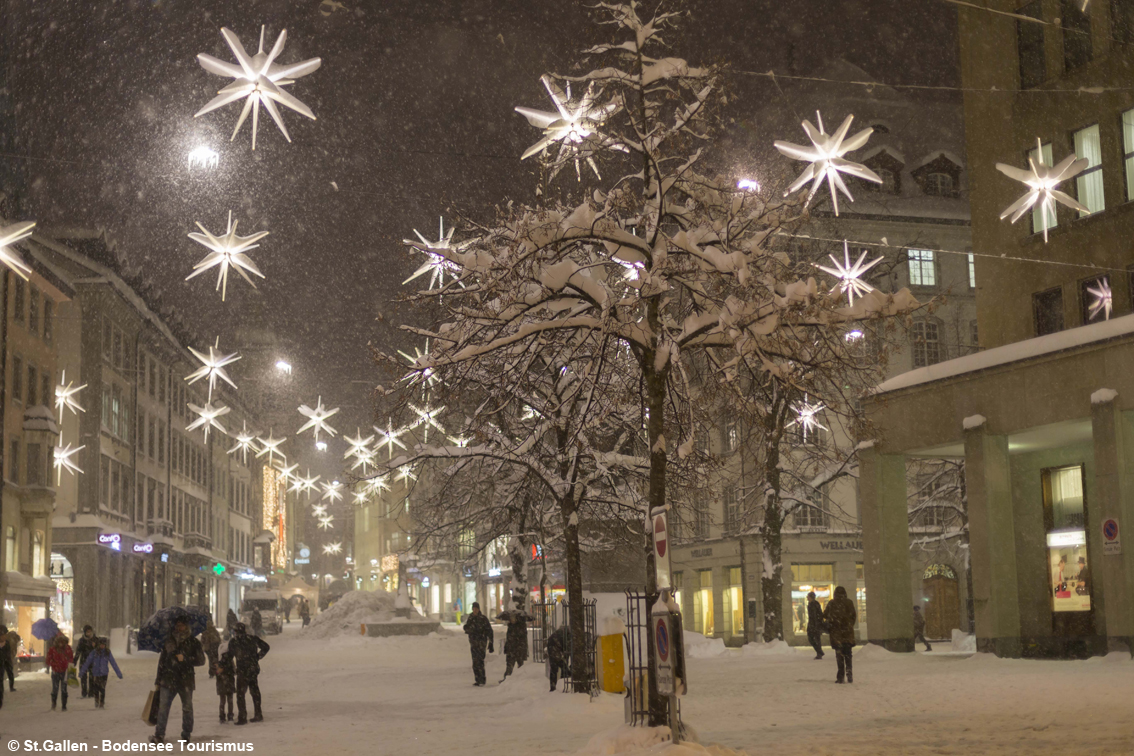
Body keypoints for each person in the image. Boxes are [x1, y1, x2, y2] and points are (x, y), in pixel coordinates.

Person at [151, 615, 205, 744]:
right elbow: (162, 661)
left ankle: (186, 734)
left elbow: (201, 660)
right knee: (163, 708)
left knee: (187, 708)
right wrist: (158, 680)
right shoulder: (169, 641)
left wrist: (185, 658)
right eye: (177, 625)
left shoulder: (193, 642)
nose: (179, 627)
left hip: (185, 680)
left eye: (181, 625)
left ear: (186, 626)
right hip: (168, 679)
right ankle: (159, 734)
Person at [228, 622, 270, 725]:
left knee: (241, 694)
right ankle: (258, 714)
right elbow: (266, 647)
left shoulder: (234, 641)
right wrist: (257, 657)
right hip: (253, 669)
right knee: (254, 691)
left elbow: (229, 656)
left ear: (236, 631)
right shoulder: (252, 638)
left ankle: (242, 717)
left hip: (243, 670)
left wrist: (224, 665)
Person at [823, 586, 857, 684]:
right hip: (847, 633)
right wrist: (849, 626)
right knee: (848, 654)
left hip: (836, 634)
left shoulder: (832, 603)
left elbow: (825, 615)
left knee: (839, 655)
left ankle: (840, 676)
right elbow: (853, 616)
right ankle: (849, 671)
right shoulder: (849, 602)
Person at [79, 636, 122, 708]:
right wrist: (82, 672)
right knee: (96, 689)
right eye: (101, 644)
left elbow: (113, 663)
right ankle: (96, 700)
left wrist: (118, 673)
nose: (102, 646)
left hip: (104, 673)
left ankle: (102, 702)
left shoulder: (107, 653)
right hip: (95, 673)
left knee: (102, 689)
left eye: (103, 644)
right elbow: (87, 662)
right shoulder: (94, 652)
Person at [497, 607, 533, 682]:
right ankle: (506, 679)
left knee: (520, 666)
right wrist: (507, 647)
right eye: (510, 618)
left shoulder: (521, 626)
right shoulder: (510, 626)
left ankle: (521, 680)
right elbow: (509, 638)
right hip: (511, 649)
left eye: (513, 618)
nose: (511, 619)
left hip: (519, 649)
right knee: (509, 666)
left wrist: (520, 646)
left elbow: (522, 637)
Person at [462, 602, 493, 687]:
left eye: (476, 608)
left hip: (481, 642)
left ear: (478, 609)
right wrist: (467, 628)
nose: (474, 610)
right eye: (473, 609)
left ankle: (482, 679)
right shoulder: (471, 618)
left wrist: (491, 642)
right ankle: (477, 679)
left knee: (480, 661)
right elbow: (467, 627)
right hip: (473, 643)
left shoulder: (483, 619)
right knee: (475, 662)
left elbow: (489, 631)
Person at [46, 633, 74, 711]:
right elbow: (48, 660)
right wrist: (54, 664)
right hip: (56, 671)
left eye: (62, 641)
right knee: (55, 689)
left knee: (64, 689)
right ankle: (54, 704)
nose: (61, 643)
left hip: (65, 672)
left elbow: (71, 658)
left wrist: (68, 665)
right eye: (59, 641)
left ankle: (64, 705)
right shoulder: (53, 649)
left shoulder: (67, 649)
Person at [214, 642, 235, 724]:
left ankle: (222, 716)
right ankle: (230, 715)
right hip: (229, 681)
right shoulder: (230, 660)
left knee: (223, 700)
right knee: (230, 700)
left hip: (222, 682)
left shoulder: (218, 661)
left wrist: (218, 671)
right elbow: (233, 670)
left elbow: (215, 672)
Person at [546, 624, 571, 693]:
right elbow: (567, 648)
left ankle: (553, 687)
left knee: (554, 668)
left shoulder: (561, 632)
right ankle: (563, 683)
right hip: (555, 648)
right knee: (562, 666)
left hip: (551, 646)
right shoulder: (567, 635)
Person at [74, 625, 96, 699]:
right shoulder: (82, 640)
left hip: (93, 661)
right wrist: (75, 661)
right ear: (84, 632)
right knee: (83, 677)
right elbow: (78, 651)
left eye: (90, 631)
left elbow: (99, 650)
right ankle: (84, 693)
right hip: (84, 661)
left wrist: (95, 646)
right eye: (87, 632)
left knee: (92, 677)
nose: (89, 633)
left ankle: (91, 693)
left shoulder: (95, 639)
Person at [806, 591, 825, 659]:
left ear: (811, 597)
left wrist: (814, 625)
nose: (807, 597)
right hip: (814, 624)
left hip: (814, 624)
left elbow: (814, 616)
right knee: (815, 639)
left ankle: (819, 652)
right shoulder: (813, 604)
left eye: (808, 596)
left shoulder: (813, 604)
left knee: (813, 639)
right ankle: (819, 652)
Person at [0, 624, 17, 692]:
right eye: (3, 635)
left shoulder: (7, 643)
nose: (5, 636)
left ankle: (11, 686)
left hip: (7, 660)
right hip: (1, 662)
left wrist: (9, 658)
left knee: (10, 673)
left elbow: (10, 651)